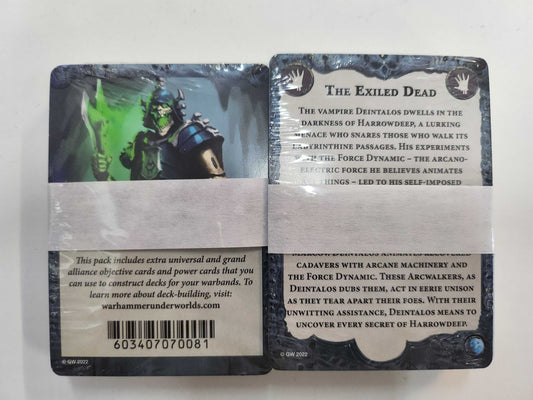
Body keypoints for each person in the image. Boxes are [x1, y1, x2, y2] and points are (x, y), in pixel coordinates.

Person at [90, 80, 226, 181]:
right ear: (149, 112)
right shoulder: (140, 141)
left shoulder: (187, 134)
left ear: (172, 110)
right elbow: (126, 195)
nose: (158, 113)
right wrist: (103, 174)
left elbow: (217, 179)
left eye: (163, 108)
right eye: (154, 109)